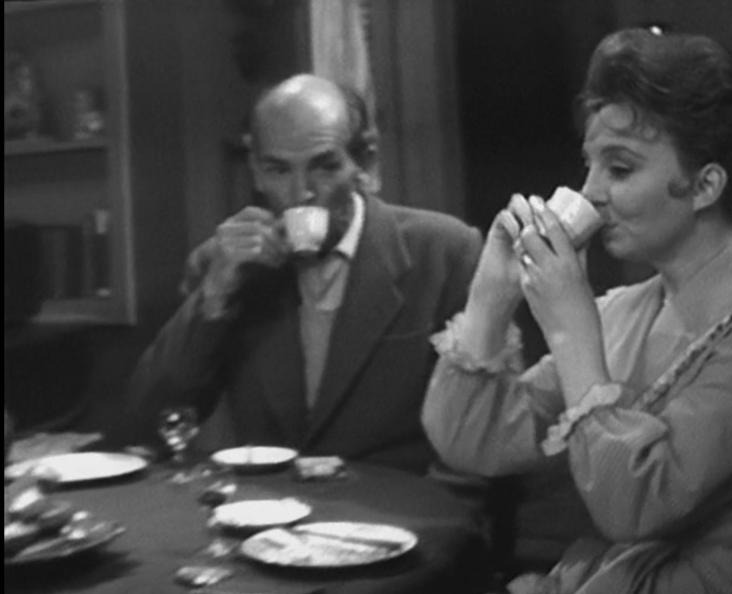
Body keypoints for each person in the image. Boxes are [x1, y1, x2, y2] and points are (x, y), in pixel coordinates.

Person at [422, 28, 732, 594]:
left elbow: (640, 503)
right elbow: (475, 444)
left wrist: (570, 330)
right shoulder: (629, 309)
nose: (589, 191)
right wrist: (490, 297)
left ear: (704, 185)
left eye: (619, 169)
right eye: (590, 165)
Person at [126, 74, 483, 474]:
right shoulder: (224, 266)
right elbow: (151, 425)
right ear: (256, 171)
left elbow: (480, 434)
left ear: (364, 163)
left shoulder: (444, 253)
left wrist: (441, 514)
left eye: (324, 167)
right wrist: (214, 297)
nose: (300, 194)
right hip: (272, 506)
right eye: (278, 170)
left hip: (399, 504)